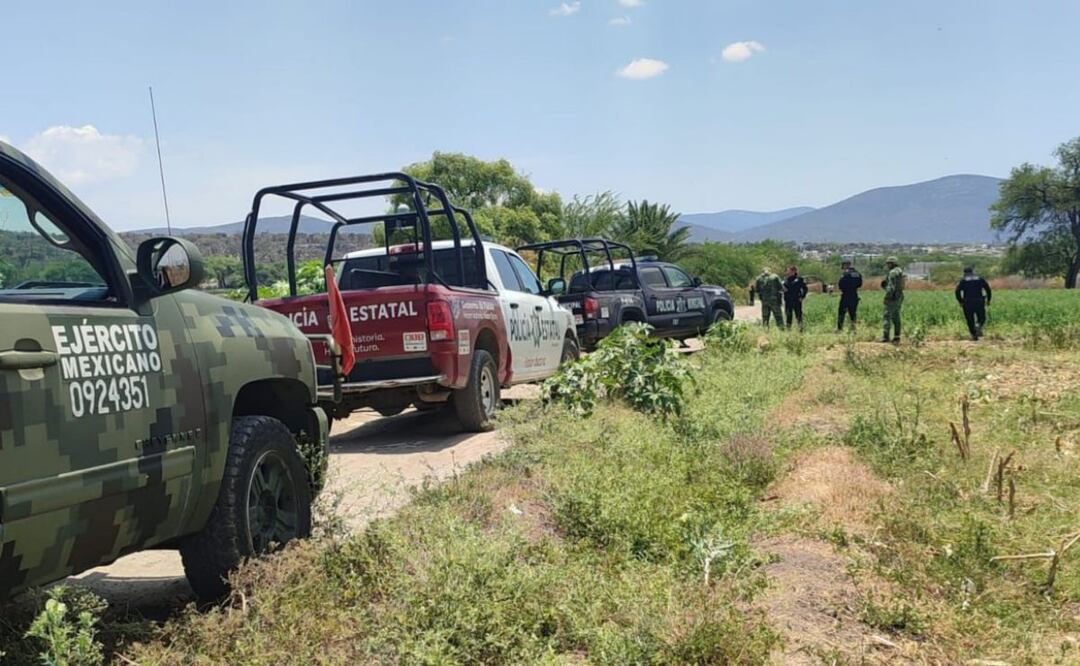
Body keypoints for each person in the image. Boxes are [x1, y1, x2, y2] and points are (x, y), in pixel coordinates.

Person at [955, 266, 992, 340]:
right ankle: (978, 325)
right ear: (972, 272)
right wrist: (988, 300)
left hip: (967, 302)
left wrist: (961, 301)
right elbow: (988, 289)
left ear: (964, 273)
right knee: (982, 317)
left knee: (970, 319)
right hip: (979, 301)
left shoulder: (963, 280)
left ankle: (974, 336)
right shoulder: (980, 279)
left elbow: (957, 291)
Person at [880, 256, 905, 343]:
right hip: (899, 296)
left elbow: (891, 287)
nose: (887, 265)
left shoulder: (893, 273)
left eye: (888, 263)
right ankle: (897, 336)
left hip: (893, 297)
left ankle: (885, 336)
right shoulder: (900, 271)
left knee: (887, 316)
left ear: (892, 263)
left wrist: (887, 297)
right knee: (896, 316)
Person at [836, 259, 862, 332]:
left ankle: (840, 329)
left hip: (846, 295)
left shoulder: (845, 274)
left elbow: (841, 284)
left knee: (841, 312)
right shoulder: (857, 273)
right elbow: (860, 284)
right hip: (854, 295)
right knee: (853, 313)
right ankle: (853, 329)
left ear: (845, 265)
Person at [782, 265, 808, 331]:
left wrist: (802, 296)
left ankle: (800, 329)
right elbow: (783, 288)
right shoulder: (785, 279)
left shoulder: (799, 279)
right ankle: (788, 330)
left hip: (797, 300)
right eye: (787, 271)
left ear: (793, 271)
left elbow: (805, 289)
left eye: (789, 270)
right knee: (788, 315)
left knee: (798, 315)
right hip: (788, 300)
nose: (787, 272)